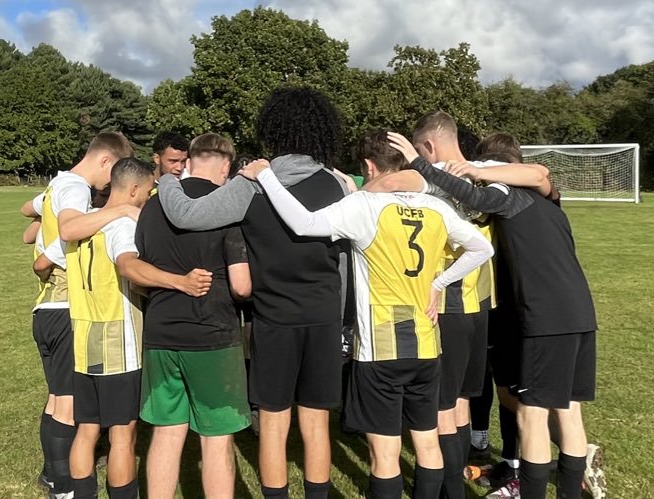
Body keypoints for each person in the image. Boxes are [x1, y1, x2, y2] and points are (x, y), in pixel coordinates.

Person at [242, 129, 493, 499]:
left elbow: (303, 224)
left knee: (386, 451)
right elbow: (481, 248)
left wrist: (265, 176)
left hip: (380, 348)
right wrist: (439, 283)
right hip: (426, 342)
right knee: (426, 443)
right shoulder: (437, 208)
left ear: (370, 166)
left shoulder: (365, 206)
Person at [154, 87, 350, 499]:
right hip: (323, 314)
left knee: (275, 425)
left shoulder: (253, 184)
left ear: (272, 129)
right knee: (316, 422)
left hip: (272, 317)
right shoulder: (337, 184)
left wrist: (169, 180)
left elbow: (188, 215)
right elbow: (347, 257)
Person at [391, 132, 603, 499]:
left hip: (545, 317)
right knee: (569, 411)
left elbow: (475, 196)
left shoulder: (510, 196)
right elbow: (538, 178)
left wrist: (423, 165)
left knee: (532, 414)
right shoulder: (549, 203)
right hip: (580, 312)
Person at [65, 158, 214, 499]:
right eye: (147, 192)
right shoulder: (123, 226)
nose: (148, 199)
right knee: (123, 435)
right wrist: (178, 282)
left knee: (87, 429)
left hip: (84, 337)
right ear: (133, 190)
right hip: (119, 341)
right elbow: (129, 266)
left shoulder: (86, 223)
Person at [136, 133, 254, 499]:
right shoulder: (227, 209)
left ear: (188, 163)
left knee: (167, 432)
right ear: (226, 166)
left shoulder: (153, 207)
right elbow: (241, 285)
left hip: (161, 333)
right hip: (212, 335)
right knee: (217, 439)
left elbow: (140, 270)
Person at [17, 132, 134, 497]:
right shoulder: (77, 189)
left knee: (56, 398)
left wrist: (40, 228)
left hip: (45, 308)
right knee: (69, 406)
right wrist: (118, 210)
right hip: (68, 306)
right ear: (104, 161)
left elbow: (26, 213)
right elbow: (69, 228)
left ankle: (53, 476)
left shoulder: (57, 184)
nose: (111, 183)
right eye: (113, 172)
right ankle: (64, 487)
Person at [409, 112, 500, 499]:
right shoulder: (486, 174)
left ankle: (448, 490)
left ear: (428, 146)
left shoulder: (435, 183)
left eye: (418, 152)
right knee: (462, 400)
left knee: (443, 406)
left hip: (447, 304)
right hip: (480, 303)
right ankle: (456, 485)